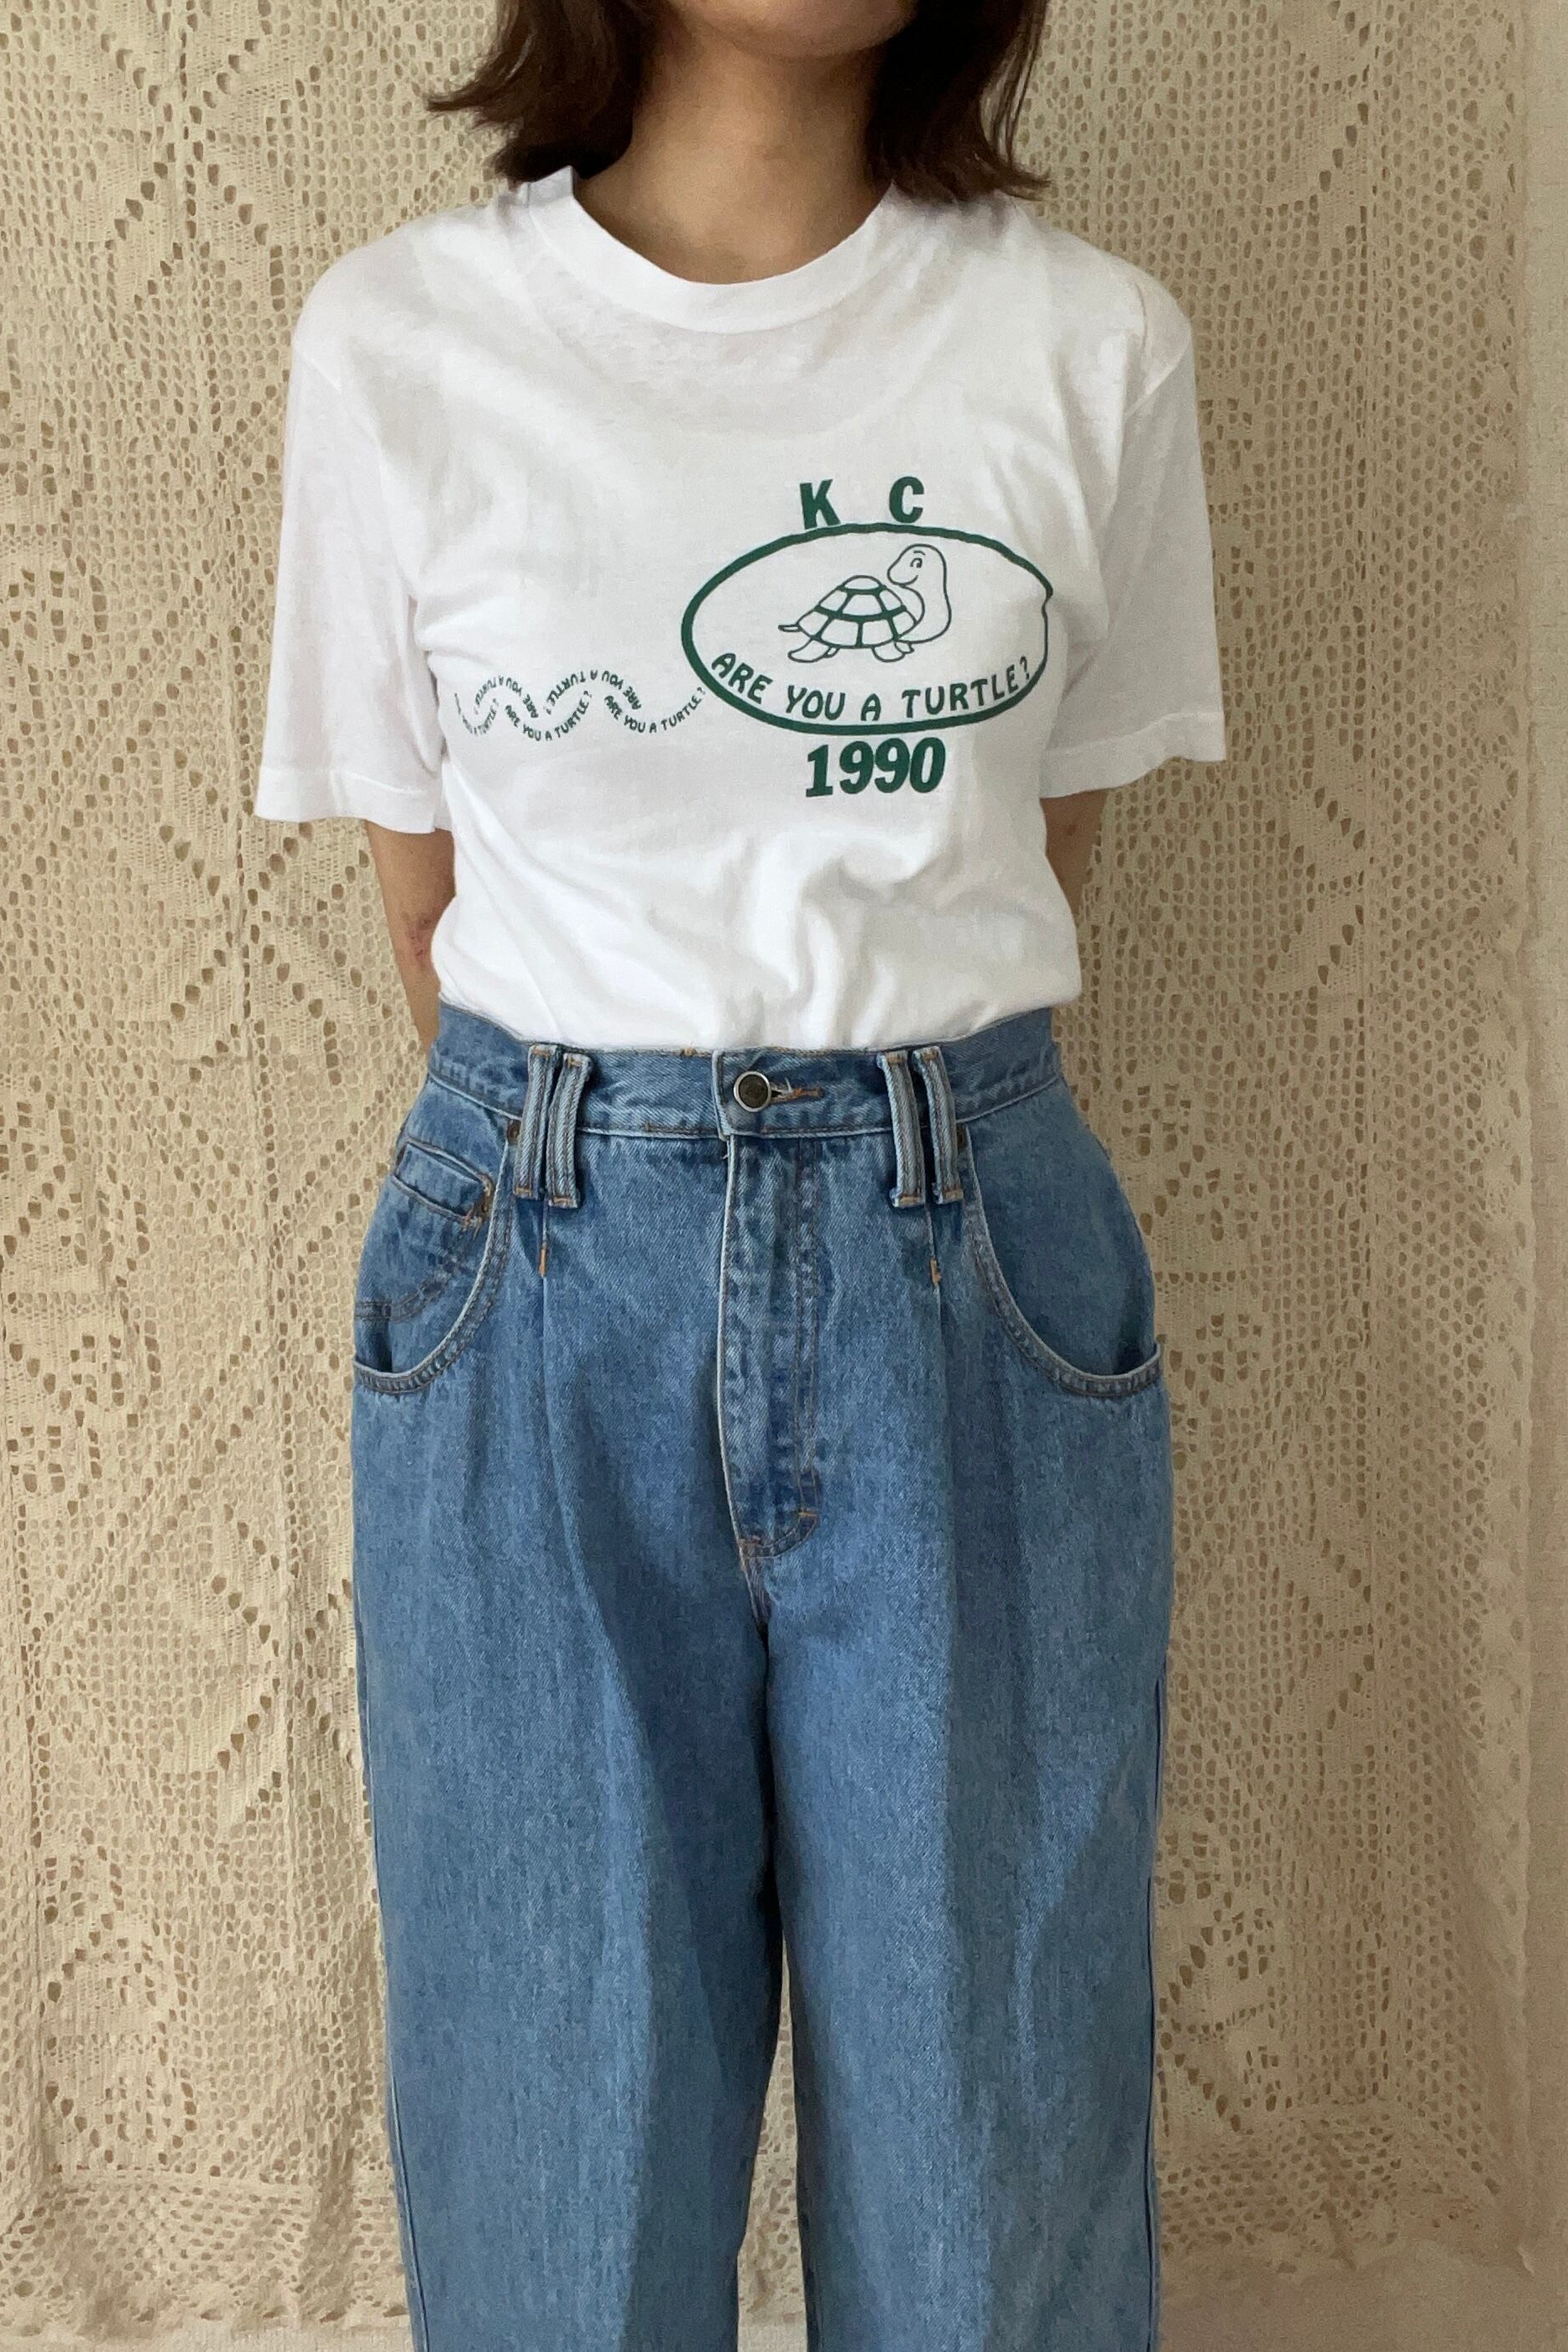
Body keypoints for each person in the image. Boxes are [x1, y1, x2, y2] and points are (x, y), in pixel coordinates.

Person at [253, 0, 1227, 2344]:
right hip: (542, 1254)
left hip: (965, 1252)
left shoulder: (1092, 351)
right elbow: (431, 902)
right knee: (559, 2157)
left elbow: (1033, 857)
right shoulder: (406, 344)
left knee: (993, 2167)